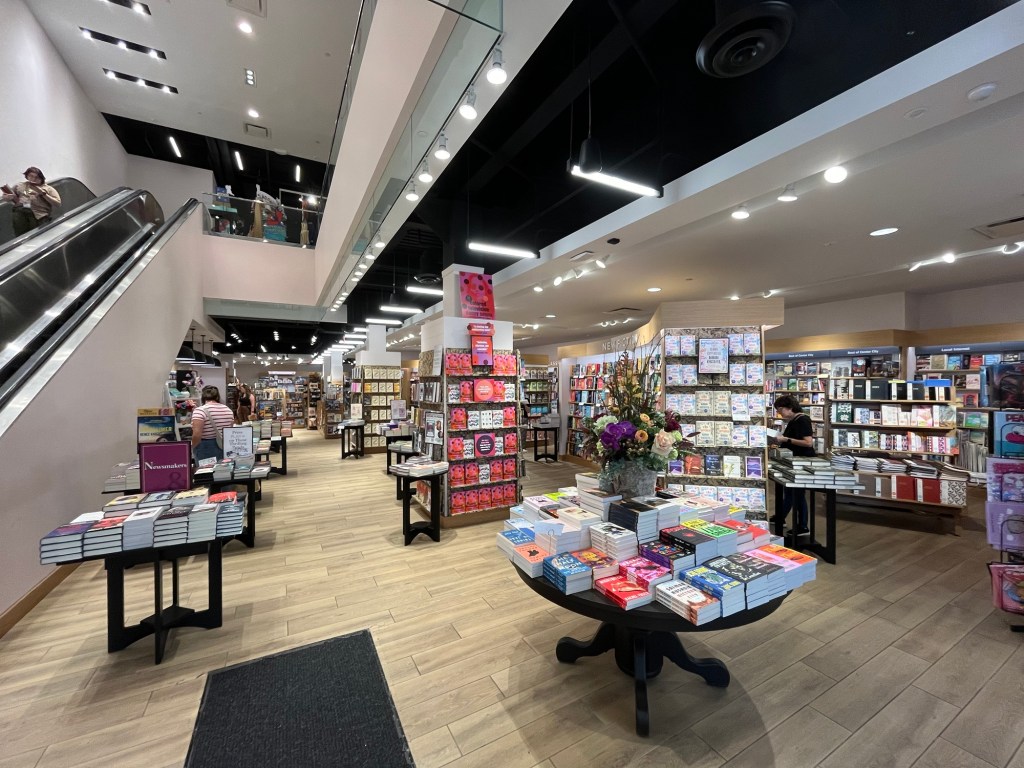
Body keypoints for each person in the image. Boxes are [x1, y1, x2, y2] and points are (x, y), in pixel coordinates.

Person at [770, 394, 816, 536]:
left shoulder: (802, 420)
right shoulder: (794, 420)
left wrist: (785, 439)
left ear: (790, 408)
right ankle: (781, 517)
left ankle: (803, 526)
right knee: (790, 491)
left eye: (781, 409)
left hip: (802, 461)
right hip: (794, 460)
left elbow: (808, 442)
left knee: (797, 493)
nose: (780, 413)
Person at [2, 167, 61, 235]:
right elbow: (11, 197)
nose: (33, 179)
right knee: (22, 235)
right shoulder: (20, 185)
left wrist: (43, 194)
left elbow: (58, 203)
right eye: (31, 176)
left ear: (41, 178)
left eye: (36, 177)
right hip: (21, 214)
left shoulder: (48, 188)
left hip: (39, 217)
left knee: (38, 236)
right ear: (27, 176)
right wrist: (6, 198)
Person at [191, 385, 235, 462]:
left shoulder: (200, 411)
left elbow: (197, 435)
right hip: (224, 446)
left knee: (206, 472)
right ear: (217, 396)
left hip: (205, 448)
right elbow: (229, 429)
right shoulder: (228, 410)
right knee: (221, 471)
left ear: (203, 396)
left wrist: (191, 447)